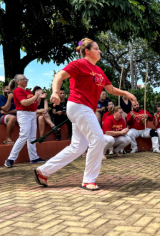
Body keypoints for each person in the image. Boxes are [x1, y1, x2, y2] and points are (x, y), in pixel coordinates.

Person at [34, 38, 136, 191]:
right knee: (98, 139)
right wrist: (55, 92)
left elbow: (111, 90)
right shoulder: (79, 64)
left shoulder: (100, 71)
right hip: (79, 105)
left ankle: (43, 171)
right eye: (96, 48)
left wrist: (126, 93)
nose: (99, 51)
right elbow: (59, 76)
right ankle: (88, 179)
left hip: (84, 108)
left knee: (78, 147)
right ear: (87, 51)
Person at [4, 75, 46, 168]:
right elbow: (24, 103)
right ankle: (10, 159)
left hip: (32, 114)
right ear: (18, 81)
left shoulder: (28, 91)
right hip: (24, 114)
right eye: (24, 79)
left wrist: (39, 98)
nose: (26, 81)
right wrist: (35, 95)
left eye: (26, 79)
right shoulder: (18, 90)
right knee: (24, 135)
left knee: (32, 136)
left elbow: (35, 104)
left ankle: (34, 158)